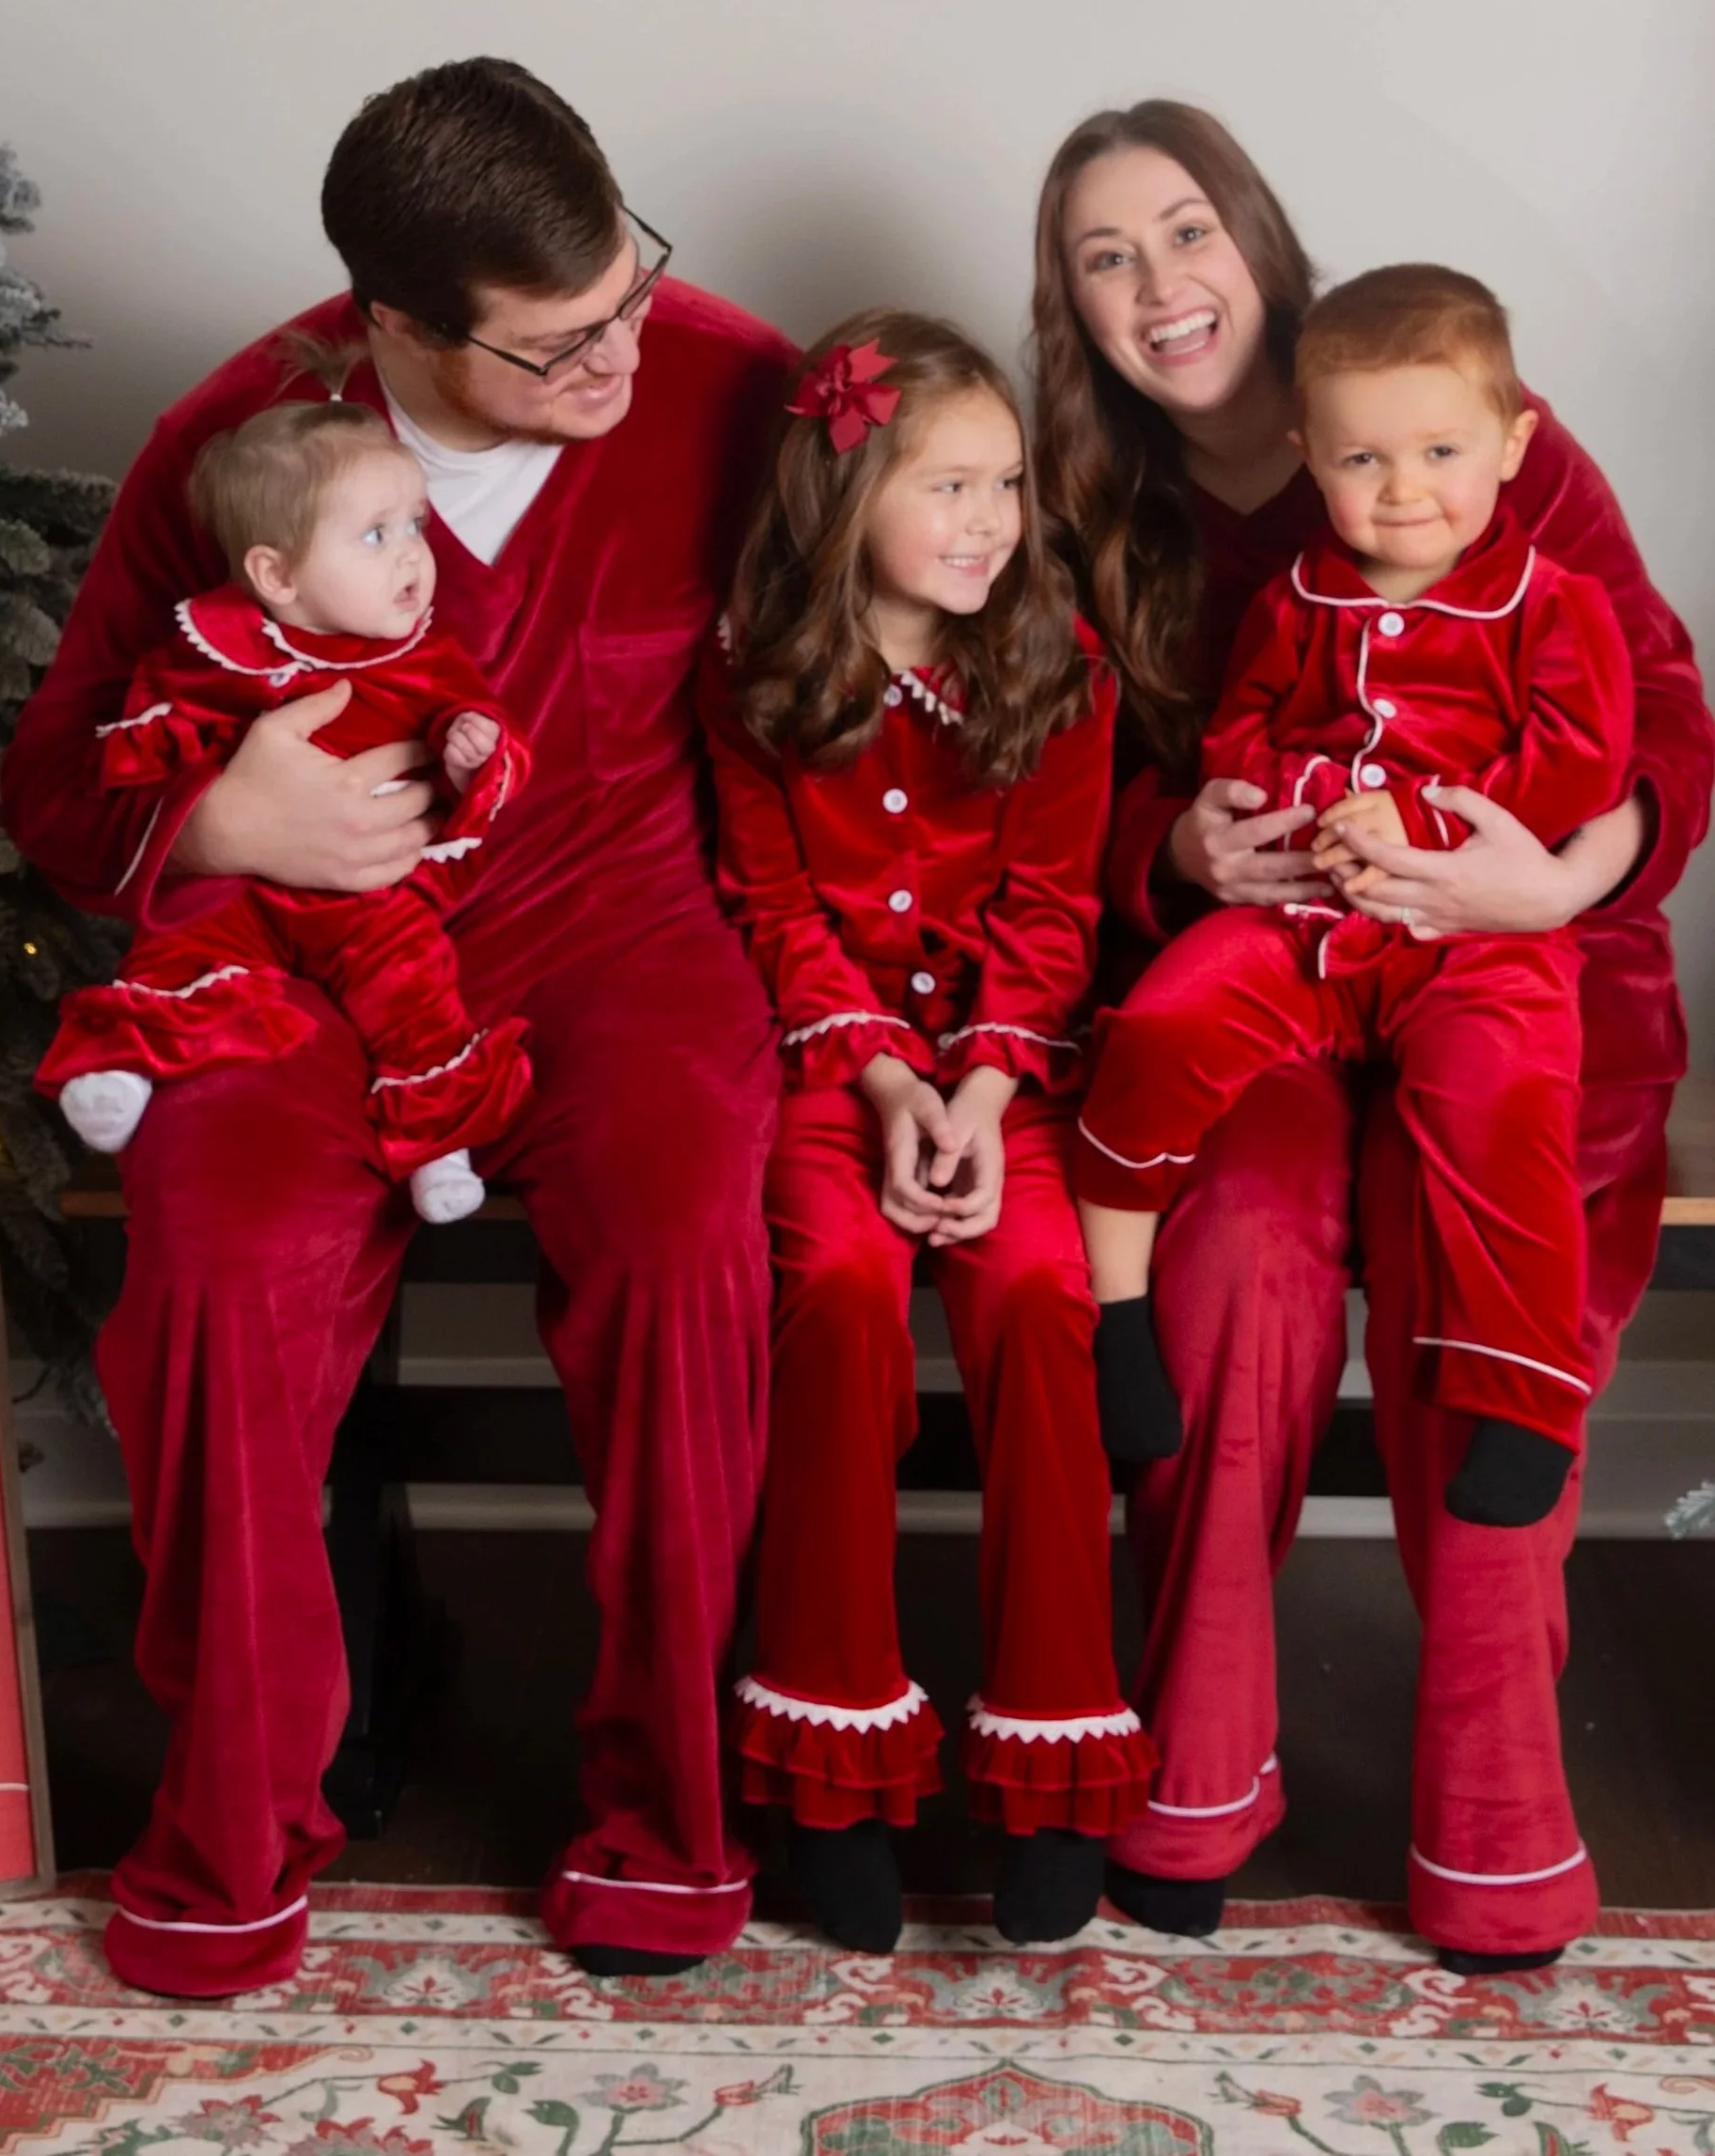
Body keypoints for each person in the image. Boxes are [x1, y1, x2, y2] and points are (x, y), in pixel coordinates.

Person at [2, 58, 790, 1994]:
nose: (617, 354)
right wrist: (208, 817)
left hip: (624, 931)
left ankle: (668, 1814)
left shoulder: (731, 381)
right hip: (290, 959)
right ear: (391, 326)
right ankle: (237, 1823)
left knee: (693, 1246)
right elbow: (53, 786)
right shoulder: (238, 440)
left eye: (626, 290)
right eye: (552, 348)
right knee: (213, 1271)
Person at [1032, 101, 1711, 1972]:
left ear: (1250, 231)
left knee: (1466, 1278)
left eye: (1182, 228)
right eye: (1103, 257)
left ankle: (1495, 1824)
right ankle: (1187, 1780)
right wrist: (1169, 844)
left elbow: (1648, 710)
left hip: (1511, 965)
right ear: (1069, 309)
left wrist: (1545, 880)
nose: (1159, 284)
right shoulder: (1084, 507)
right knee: (1231, 1252)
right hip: (1271, 974)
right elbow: (1045, 790)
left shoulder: (1451, 408)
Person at [701, 312, 1153, 1957]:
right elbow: (769, 900)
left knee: (1041, 1300)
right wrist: (887, 1082)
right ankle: (827, 1773)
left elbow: (1050, 911)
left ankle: (1048, 1756)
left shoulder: (1056, 665)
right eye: (946, 483)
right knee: (828, 1286)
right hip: (836, 1076)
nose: (986, 518)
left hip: (1008, 1081)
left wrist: (970, 1087)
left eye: (1008, 483)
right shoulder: (755, 668)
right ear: (845, 490)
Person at [1074, 265, 1634, 1529]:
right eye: (1363, 460)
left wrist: (1431, 817)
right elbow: (1240, 730)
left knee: (1499, 1096)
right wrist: (1293, 792)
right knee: (1164, 1021)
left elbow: (1579, 765)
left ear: (1512, 444)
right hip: (1303, 914)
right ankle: (1113, 1313)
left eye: (1441, 449)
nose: (1404, 488)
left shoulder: (1553, 607)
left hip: (1468, 930)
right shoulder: (1295, 602)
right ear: (1309, 459)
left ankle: (1527, 1399)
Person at [37, 402, 532, 1226]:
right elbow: (146, 740)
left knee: (414, 985)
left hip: (372, 898)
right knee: (177, 947)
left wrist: (470, 748)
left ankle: (438, 1139)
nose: (413, 552)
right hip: (240, 887)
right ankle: (127, 1062)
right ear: (277, 576)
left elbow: (476, 726)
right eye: (376, 534)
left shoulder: (426, 656)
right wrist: (178, 771)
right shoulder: (213, 649)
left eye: (416, 522)